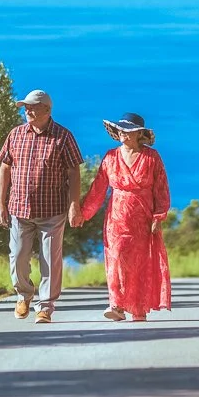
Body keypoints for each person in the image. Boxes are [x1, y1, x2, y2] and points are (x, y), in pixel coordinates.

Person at [0, 90, 84, 324]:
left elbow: (74, 171)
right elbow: (5, 168)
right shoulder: (15, 135)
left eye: (32, 107)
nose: (27, 111)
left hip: (52, 211)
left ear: (47, 110)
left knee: (50, 260)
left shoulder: (63, 137)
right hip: (19, 208)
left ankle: (45, 306)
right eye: (25, 107)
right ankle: (23, 295)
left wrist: (75, 204)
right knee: (17, 256)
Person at [81, 112, 172, 322]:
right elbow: (98, 189)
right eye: (121, 129)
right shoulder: (111, 157)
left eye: (128, 130)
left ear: (139, 133)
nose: (123, 133)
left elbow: (161, 189)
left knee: (139, 263)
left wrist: (159, 216)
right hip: (116, 218)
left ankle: (138, 308)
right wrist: (84, 213)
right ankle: (117, 305)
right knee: (116, 258)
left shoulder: (152, 158)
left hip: (142, 219)